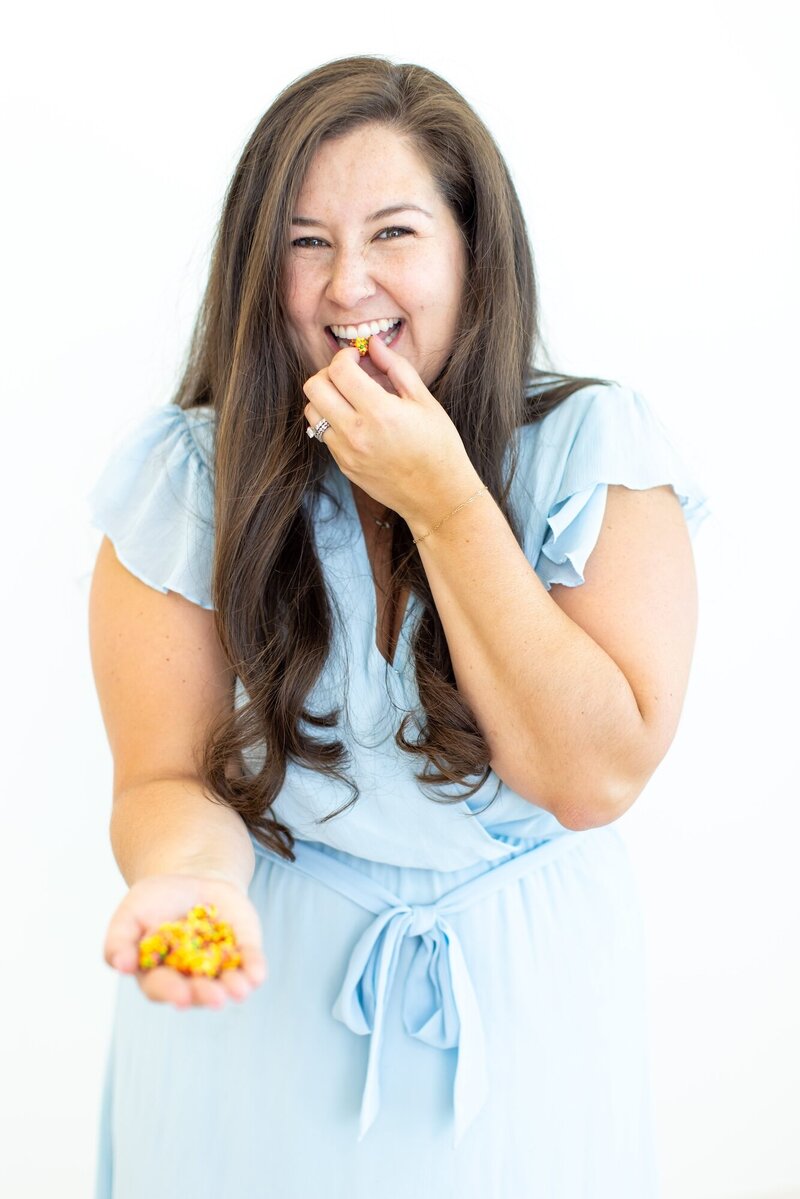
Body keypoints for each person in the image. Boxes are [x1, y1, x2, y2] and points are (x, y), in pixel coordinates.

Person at [87, 55, 710, 1198]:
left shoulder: (594, 454)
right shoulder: (186, 474)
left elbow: (590, 775)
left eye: (393, 234)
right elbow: (166, 772)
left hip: (525, 1014)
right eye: (305, 241)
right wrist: (189, 881)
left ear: (473, 254)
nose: (346, 286)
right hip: (258, 1006)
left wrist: (442, 497)